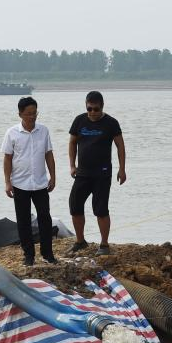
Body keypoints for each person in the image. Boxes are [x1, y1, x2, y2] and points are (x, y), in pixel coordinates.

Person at [67, 90, 127, 256]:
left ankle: (104, 244)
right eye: (89, 109)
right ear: (86, 106)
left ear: (102, 107)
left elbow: (120, 146)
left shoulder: (111, 123)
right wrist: (72, 165)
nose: (92, 112)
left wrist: (122, 169)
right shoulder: (79, 121)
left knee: (100, 209)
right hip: (82, 173)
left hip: (102, 173)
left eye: (96, 109)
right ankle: (80, 241)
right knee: (74, 205)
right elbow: (72, 143)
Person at [2, 96, 57, 266]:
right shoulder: (12, 133)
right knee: (23, 220)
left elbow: (49, 154)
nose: (32, 117)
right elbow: (7, 158)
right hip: (20, 183)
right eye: (28, 114)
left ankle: (48, 254)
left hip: (40, 182)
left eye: (35, 113)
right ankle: (29, 255)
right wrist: (7, 182)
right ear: (20, 114)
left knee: (44, 218)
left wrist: (53, 176)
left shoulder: (43, 131)